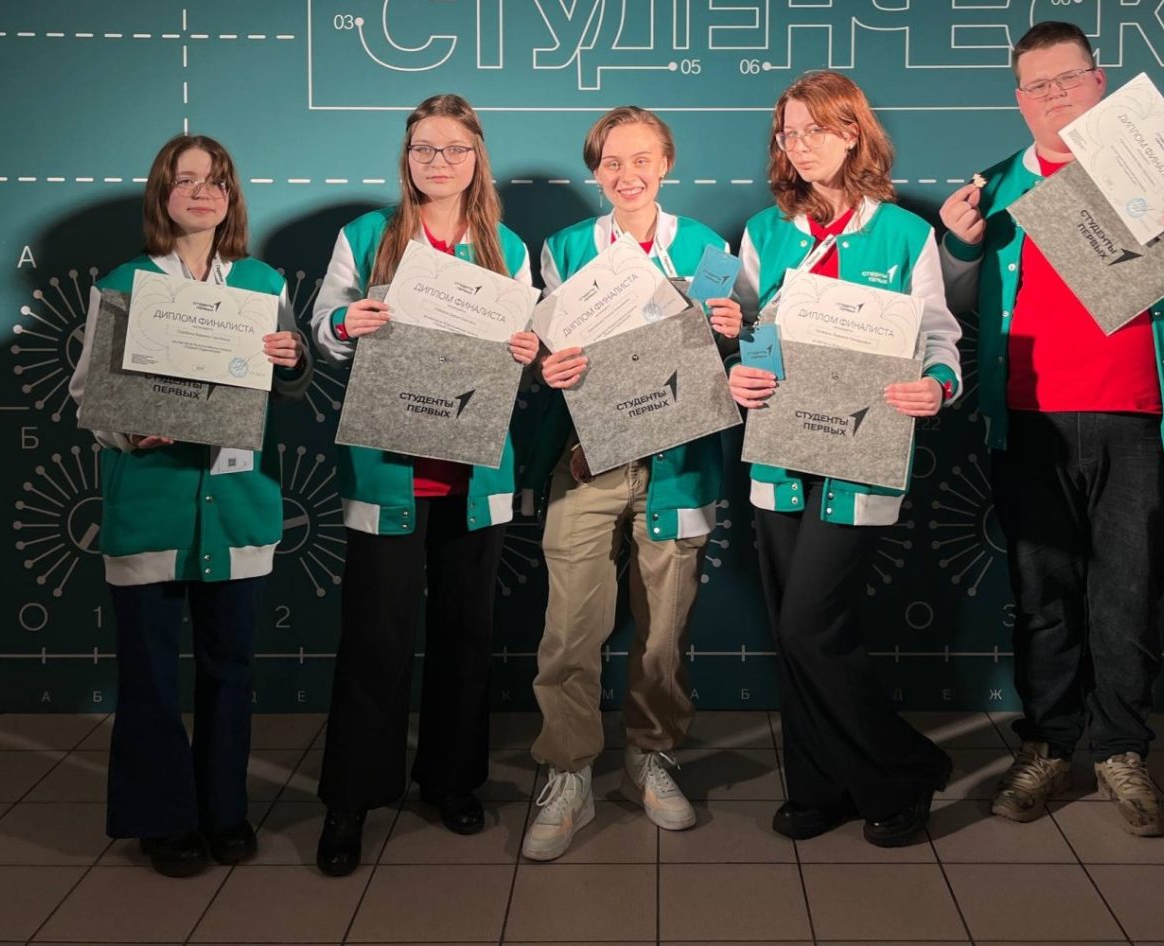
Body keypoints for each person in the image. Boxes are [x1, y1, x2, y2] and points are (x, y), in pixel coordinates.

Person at [938, 21, 1164, 836]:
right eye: (1038, 85)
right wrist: (957, 246)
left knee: (1128, 596)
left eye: (1069, 79)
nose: (1054, 96)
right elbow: (954, 304)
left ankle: (1122, 749)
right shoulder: (993, 187)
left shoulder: (1162, 169)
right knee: (1042, 599)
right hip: (1032, 424)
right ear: (1020, 100)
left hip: (1145, 422)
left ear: (1100, 81)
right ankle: (1049, 746)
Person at [67, 133, 312, 877]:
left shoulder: (263, 282)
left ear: (231, 197)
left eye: (215, 181)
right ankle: (162, 819)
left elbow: (290, 380)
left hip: (238, 507)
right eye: (185, 180)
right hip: (151, 506)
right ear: (162, 195)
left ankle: (223, 810)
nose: (201, 192)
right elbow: (88, 393)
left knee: (229, 669)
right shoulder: (125, 282)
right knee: (149, 675)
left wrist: (292, 359)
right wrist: (129, 429)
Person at [728, 71, 963, 847]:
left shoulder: (904, 233)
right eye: (788, 133)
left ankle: (905, 769)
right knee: (794, 632)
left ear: (852, 132)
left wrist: (938, 384)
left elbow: (938, 336)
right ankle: (818, 785)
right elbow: (744, 326)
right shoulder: (762, 230)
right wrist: (742, 368)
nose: (799, 145)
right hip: (779, 454)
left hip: (862, 454)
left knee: (811, 626)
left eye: (816, 130)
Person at [308, 94, 541, 876]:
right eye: (423, 150)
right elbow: (323, 327)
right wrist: (347, 324)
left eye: (454, 149)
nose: (438, 163)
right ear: (406, 159)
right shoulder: (366, 235)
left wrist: (527, 350)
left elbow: (526, 353)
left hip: (476, 471)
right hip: (390, 470)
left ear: (477, 159)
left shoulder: (507, 244)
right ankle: (351, 799)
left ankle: (451, 781)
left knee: (465, 638)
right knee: (375, 641)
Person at [519, 106, 744, 861]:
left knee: (663, 634)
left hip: (680, 464)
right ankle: (568, 770)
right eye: (612, 162)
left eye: (642, 159)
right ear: (595, 171)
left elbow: (728, 348)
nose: (627, 175)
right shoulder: (564, 248)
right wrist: (549, 366)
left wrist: (731, 329)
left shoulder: (709, 248)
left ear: (666, 163)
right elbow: (552, 354)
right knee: (569, 629)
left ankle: (652, 754)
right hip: (587, 459)